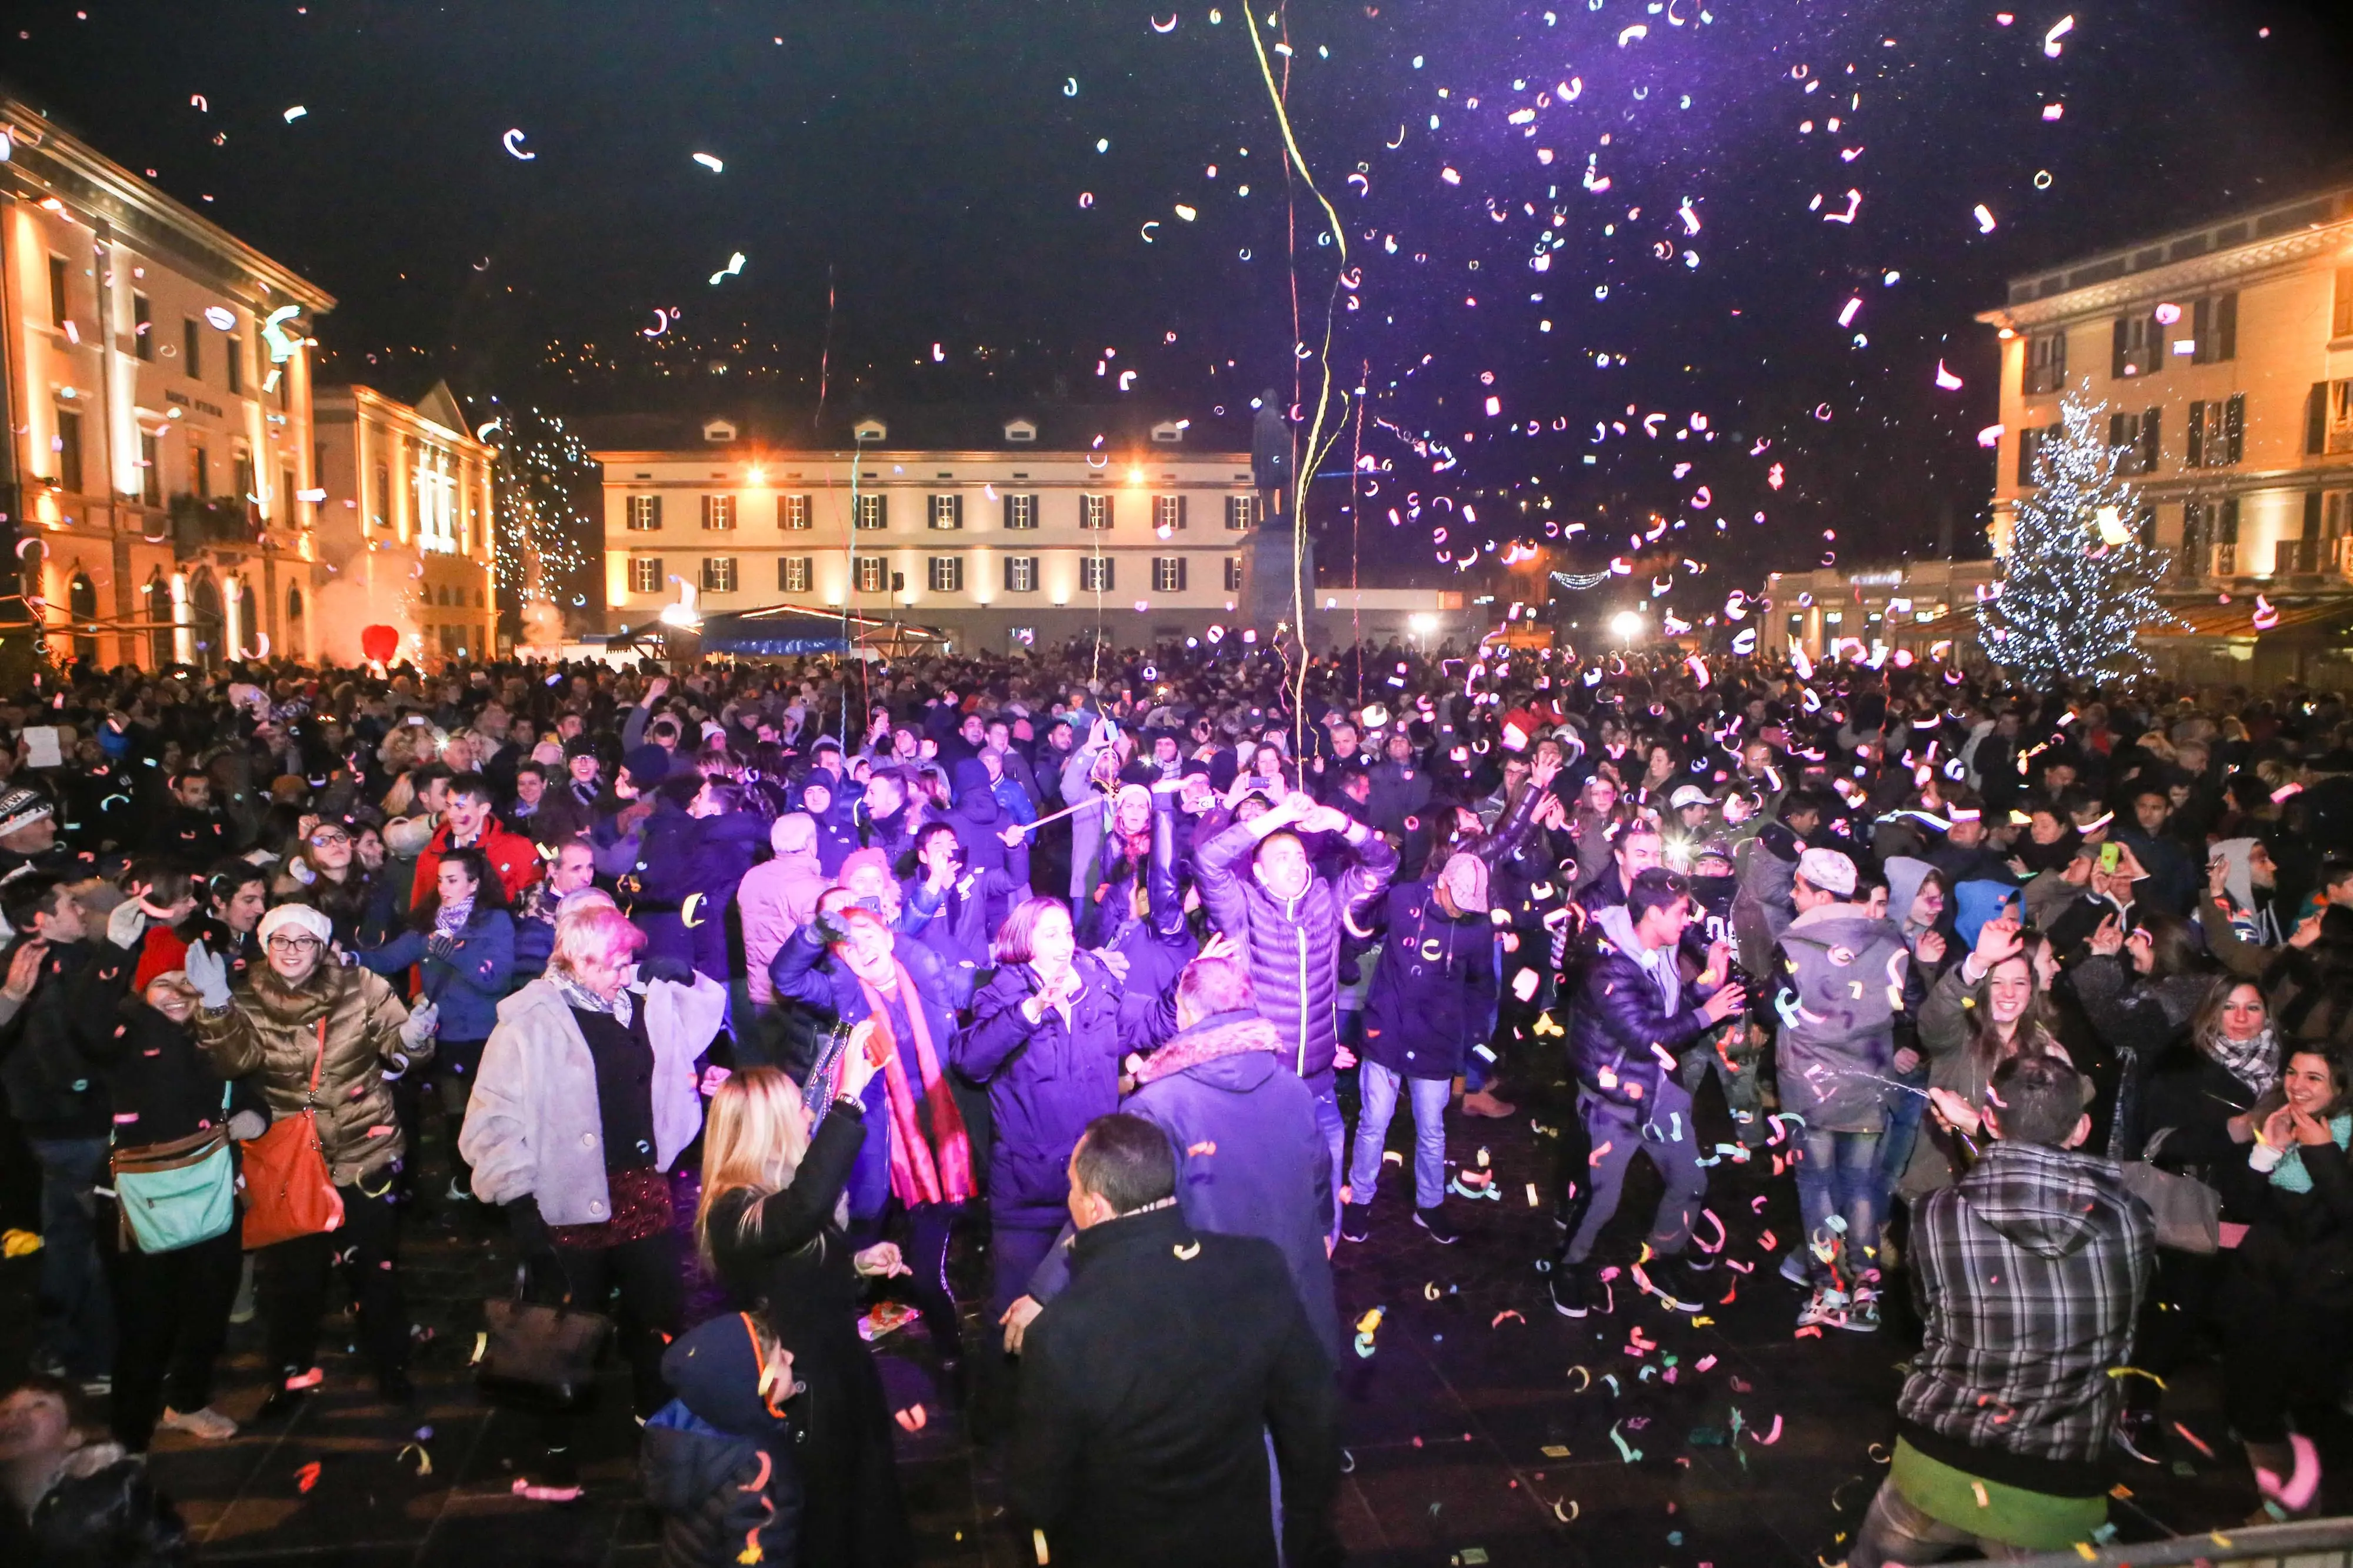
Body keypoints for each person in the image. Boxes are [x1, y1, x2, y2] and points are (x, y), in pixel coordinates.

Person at [461, 899, 725, 1500]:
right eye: (612, 963)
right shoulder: (529, 1020)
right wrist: (519, 1201)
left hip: (640, 1188)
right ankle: (556, 1458)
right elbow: (493, 1119)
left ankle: (655, 1423)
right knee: (560, 1330)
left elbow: (701, 1023)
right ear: (574, 961)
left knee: (655, 1316)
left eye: (629, 959)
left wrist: (685, 975)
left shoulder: (641, 1002)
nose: (624, 972)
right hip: (565, 1196)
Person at [1846, 1055, 2152, 1567]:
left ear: (1989, 1119)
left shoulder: (1934, 1212)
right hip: (2057, 1486)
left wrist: (1982, 1136)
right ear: (2081, 1129)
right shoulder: (2131, 1218)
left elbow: (1925, 1314)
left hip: (1937, 1464)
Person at [1008, 1113, 1342, 1568]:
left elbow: (1040, 1489)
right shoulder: (1257, 1269)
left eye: (1073, 1188)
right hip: (1240, 1544)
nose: (1069, 1199)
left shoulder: (1062, 1335)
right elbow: (1312, 1414)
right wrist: (1303, 1524)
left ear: (1096, 1208)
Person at [187, 904, 435, 1410]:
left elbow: (398, 1048)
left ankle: (391, 1367)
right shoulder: (247, 996)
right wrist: (216, 1006)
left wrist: (413, 1038)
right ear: (267, 945)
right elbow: (235, 1063)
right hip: (290, 1158)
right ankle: (291, 1374)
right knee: (292, 1277)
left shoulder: (360, 984)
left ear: (322, 947)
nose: (293, 951)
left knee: (375, 1269)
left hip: (365, 1149)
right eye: (281, 940)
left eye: (304, 941)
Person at [698, 1063, 915, 1568]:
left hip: (841, 1370)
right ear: (765, 1124)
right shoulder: (733, 1209)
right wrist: (848, 1100)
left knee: (865, 1505)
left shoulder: (775, 1189)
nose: (808, 1113)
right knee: (830, 1522)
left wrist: (856, 1263)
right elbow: (801, 1212)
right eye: (798, 1105)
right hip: (805, 1394)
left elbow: (796, 1264)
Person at [71, 882, 258, 1452]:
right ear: (141, 987)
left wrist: (255, 1113)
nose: (176, 993)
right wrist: (115, 954)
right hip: (140, 1197)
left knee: (208, 1308)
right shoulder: (122, 1030)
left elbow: (247, 1069)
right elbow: (88, 1027)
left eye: (185, 981)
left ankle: (190, 1400)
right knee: (145, 1323)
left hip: (210, 1187)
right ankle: (128, 1438)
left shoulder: (216, 1020)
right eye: (162, 983)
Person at [1194, 785, 1399, 1234]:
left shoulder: (1330, 900)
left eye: (1298, 855)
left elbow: (1385, 864)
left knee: (1324, 1198)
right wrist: (1275, 818)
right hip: (1264, 1086)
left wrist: (1340, 823)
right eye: (1279, 858)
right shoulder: (1243, 909)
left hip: (1320, 1089)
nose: (1294, 863)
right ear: (1260, 874)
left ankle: (1323, 1260)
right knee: (1264, 1204)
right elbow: (1208, 861)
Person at [1554, 867, 1746, 1318]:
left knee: (1691, 1182)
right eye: (1681, 913)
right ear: (1653, 914)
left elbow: (1668, 1006)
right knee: (1602, 1197)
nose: (1688, 922)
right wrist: (1709, 1014)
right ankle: (1568, 1266)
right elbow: (1644, 1034)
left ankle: (1663, 1260)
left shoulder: (1661, 946)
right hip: (1614, 1098)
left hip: (1659, 1091)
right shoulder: (1610, 964)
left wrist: (1706, 987)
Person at [954, 898, 1157, 1323]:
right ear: (1024, 942)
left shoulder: (1094, 987)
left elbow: (1150, 1022)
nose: (1065, 943)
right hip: (1029, 1194)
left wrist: (1188, 986)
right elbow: (970, 1061)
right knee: (1018, 1312)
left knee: (1090, 1309)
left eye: (1067, 932)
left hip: (1094, 1185)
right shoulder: (1002, 993)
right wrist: (1030, 1010)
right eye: (1051, 935)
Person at [1768, 846, 1910, 1332]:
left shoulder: (1793, 946)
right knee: (1862, 1184)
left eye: (1800, 888)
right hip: (1868, 1081)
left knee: (1817, 1187)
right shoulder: (1890, 941)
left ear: (1822, 894)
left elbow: (1776, 1011)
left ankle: (1829, 1291)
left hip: (1812, 1088)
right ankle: (1867, 1287)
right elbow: (1902, 1004)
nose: (1793, 895)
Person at [355, 845, 516, 1202]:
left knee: (492, 1114)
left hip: (486, 1036)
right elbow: (388, 959)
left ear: (473, 884)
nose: (444, 887)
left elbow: (497, 981)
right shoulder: (430, 923)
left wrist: (457, 953)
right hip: (447, 1036)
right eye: (441, 879)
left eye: (453, 880)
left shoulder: (495, 922)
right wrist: (348, 957)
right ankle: (464, 1181)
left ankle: (499, 1185)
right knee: (456, 1113)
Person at [640, 1311, 804, 1568]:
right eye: (781, 1359)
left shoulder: (688, 1430)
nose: (791, 1357)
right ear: (756, 1390)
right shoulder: (758, 1479)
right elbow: (762, 1556)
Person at [0, 1379, 188, 1568]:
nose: (15, 1415)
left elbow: (166, 1550)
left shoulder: (113, 1492)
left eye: (38, 1405)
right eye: (5, 1411)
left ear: (74, 1435)